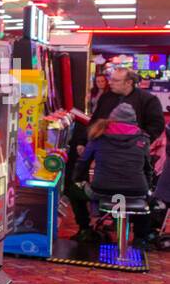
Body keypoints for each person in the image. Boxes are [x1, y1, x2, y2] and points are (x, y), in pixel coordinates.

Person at [67, 66, 164, 238]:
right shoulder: (107, 98)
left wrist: (138, 142)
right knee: (144, 191)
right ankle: (89, 229)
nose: (110, 83)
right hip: (132, 174)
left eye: (115, 80)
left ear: (129, 82)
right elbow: (94, 122)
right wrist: (83, 141)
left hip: (124, 163)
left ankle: (140, 235)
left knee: (76, 188)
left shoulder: (148, 100)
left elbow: (156, 126)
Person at [74, 103, 154, 244]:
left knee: (73, 191)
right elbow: (148, 168)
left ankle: (85, 228)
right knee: (148, 200)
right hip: (136, 191)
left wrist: (78, 180)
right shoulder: (143, 138)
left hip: (101, 190)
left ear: (112, 118)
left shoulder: (98, 135)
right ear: (134, 120)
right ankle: (141, 238)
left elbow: (83, 162)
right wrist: (147, 188)